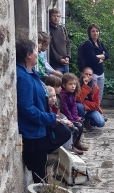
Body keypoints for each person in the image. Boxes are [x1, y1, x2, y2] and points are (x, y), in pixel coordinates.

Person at [16, 39, 57, 183]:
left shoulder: (31, 73)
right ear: (28, 55)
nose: (37, 54)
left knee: (42, 168)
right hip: (32, 133)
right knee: (39, 174)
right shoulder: (23, 78)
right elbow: (27, 108)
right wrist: (49, 118)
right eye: (35, 51)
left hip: (39, 128)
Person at [45, 77, 82, 155]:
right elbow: (61, 112)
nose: (60, 88)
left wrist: (73, 119)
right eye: (58, 86)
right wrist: (67, 120)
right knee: (71, 129)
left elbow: (73, 107)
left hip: (60, 119)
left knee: (79, 125)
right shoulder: (50, 102)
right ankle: (68, 149)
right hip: (55, 122)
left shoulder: (58, 98)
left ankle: (73, 145)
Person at [61, 73, 88, 151]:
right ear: (64, 85)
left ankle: (77, 143)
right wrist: (71, 120)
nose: (73, 86)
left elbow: (74, 107)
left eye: (74, 84)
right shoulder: (63, 95)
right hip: (65, 116)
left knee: (81, 123)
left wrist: (75, 118)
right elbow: (65, 109)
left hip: (70, 116)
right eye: (70, 84)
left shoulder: (72, 94)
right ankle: (71, 145)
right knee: (77, 126)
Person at [82, 23, 109, 101]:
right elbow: (93, 59)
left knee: (99, 94)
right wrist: (101, 56)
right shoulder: (87, 44)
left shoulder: (100, 43)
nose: (95, 33)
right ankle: (92, 111)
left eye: (97, 31)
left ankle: (97, 110)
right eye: (93, 31)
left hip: (101, 72)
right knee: (92, 94)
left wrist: (97, 56)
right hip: (92, 73)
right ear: (89, 33)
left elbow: (107, 55)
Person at [49, 8, 71, 74]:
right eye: (54, 16)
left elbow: (68, 44)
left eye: (58, 16)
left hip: (66, 64)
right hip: (56, 65)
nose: (56, 18)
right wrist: (59, 59)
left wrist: (68, 56)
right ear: (50, 17)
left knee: (67, 83)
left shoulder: (62, 29)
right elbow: (50, 47)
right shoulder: (49, 30)